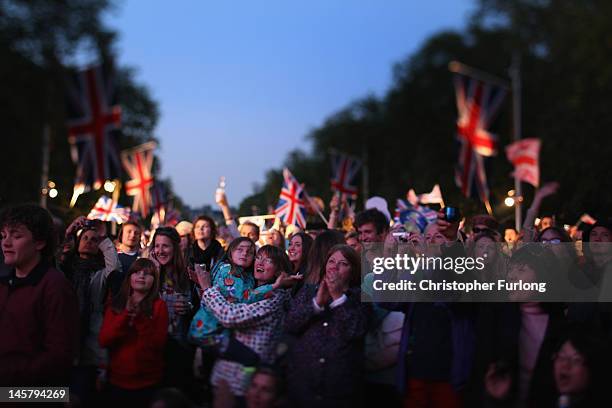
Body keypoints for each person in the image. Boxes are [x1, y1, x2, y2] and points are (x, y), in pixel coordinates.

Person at [197, 245, 295, 404]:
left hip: (245, 387)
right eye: (258, 257)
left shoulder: (274, 297)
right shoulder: (250, 289)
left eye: (268, 260)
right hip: (226, 379)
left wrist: (208, 289)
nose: (260, 263)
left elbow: (230, 316)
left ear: (279, 272)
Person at [0, 204, 79, 386]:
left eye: (16, 236)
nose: (6, 242)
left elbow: (59, 358)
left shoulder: (55, 287)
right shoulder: (4, 285)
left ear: (39, 242)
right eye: (3, 235)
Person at [285, 244, 371, 407]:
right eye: (331, 261)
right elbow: (290, 324)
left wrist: (338, 297)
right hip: (303, 386)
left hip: (340, 391)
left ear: (353, 270)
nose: (335, 267)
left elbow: (355, 330)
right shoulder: (309, 291)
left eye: (343, 263)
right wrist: (316, 304)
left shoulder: (360, 297)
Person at [59, 216, 121, 406]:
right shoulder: (65, 269)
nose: (88, 242)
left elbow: (114, 267)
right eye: (85, 238)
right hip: (64, 334)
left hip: (90, 340)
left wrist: (104, 238)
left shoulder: (99, 274)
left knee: (82, 393)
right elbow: (51, 258)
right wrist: (68, 232)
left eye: (94, 240)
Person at [99, 258, 168, 408]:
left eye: (147, 274)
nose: (141, 276)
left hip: (148, 382)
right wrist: (125, 316)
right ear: (129, 277)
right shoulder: (116, 304)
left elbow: (157, 344)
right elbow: (104, 340)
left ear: (154, 281)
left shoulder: (159, 306)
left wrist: (140, 319)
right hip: (117, 381)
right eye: (136, 272)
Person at [149, 227, 196, 394]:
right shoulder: (145, 272)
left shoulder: (187, 274)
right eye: (157, 246)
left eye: (165, 246)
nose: (160, 251)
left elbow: (197, 305)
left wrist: (188, 307)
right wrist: (153, 270)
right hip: (151, 343)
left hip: (178, 343)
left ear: (175, 248)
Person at [109, 220, 143, 297]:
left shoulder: (143, 258)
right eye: (129, 231)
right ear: (121, 235)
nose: (132, 235)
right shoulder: (112, 257)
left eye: (136, 233)